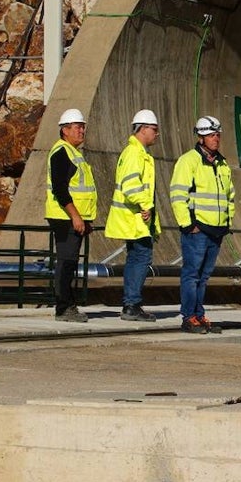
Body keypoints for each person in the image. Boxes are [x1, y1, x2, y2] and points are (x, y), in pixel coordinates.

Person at [170, 115, 234, 334]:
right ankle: (189, 317)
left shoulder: (222, 163)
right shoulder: (189, 161)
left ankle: (199, 314)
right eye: (211, 135)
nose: (216, 139)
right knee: (192, 274)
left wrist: (227, 222)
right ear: (201, 137)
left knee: (204, 277)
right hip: (197, 230)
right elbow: (178, 194)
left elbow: (230, 196)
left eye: (217, 135)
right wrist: (188, 225)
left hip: (216, 230)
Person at [105, 109, 162, 322]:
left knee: (136, 259)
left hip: (137, 218)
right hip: (136, 218)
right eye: (154, 130)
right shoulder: (134, 154)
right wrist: (146, 205)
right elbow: (131, 185)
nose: (157, 134)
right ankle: (132, 304)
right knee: (140, 259)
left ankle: (131, 303)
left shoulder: (139, 153)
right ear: (143, 129)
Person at [45, 108, 97, 323]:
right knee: (66, 263)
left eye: (82, 126)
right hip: (65, 218)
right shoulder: (62, 152)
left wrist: (84, 218)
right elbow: (60, 189)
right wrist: (75, 216)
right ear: (65, 130)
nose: (81, 131)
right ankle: (64, 307)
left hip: (73, 218)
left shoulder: (74, 153)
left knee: (70, 263)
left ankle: (68, 305)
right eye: (77, 127)